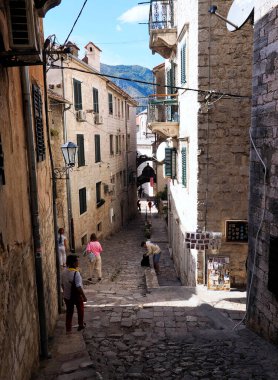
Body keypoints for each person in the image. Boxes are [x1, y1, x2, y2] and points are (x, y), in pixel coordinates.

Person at [61, 254, 87, 333]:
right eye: (77, 261)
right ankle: (80, 324)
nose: (78, 262)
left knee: (69, 312)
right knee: (80, 309)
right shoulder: (76, 273)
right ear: (73, 263)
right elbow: (78, 287)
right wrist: (84, 296)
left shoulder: (63, 271)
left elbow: (62, 284)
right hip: (76, 296)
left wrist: (66, 291)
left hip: (67, 295)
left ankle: (68, 329)